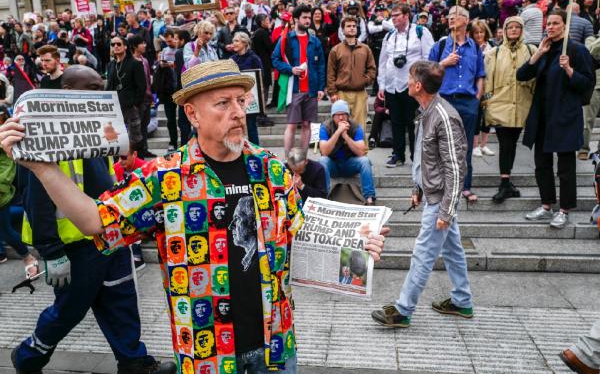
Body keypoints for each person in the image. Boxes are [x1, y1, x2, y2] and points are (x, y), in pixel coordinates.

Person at [0, 59, 387, 373]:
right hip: (208, 355)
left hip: (276, 347)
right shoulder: (165, 177)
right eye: (223, 103)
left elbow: (301, 235)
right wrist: (40, 168)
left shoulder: (271, 169)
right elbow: (94, 222)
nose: (238, 112)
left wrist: (357, 245)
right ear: (192, 113)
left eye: (241, 100)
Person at [9, 65, 177, 374]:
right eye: (94, 88)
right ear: (69, 93)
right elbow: (36, 199)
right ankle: (29, 355)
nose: (101, 95)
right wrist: (52, 252)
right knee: (69, 311)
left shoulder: (98, 131)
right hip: (74, 247)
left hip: (110, 238)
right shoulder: (44, 136)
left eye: (102, 88)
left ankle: (134, 362)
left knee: (121, 300)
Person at [371, 60, 473, 329]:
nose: (406, 80)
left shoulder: (444, 116)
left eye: (410, 76)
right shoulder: (427, 111)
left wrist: (446, 211)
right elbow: (426, 159)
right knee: (453, 251)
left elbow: (455, 167)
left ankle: (403, 310)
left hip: (441, 200)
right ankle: (462, 300)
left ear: (418, 85)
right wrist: (418, 188)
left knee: (423, 252)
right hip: (434, 194)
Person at [517, 9, 595, 229]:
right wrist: (538, 54)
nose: (550, 27)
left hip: (565, 116)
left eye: (555, 23)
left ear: (565, 25)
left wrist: (569, 69)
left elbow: (587, 83)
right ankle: (546, 205)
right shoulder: (544, 48)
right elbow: (521, 75)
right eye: (548, 23)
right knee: (541, 164)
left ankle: (564, 210)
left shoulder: (577, 50)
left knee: (566, 167)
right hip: (541, 116)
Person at [428, 5, 486, 203]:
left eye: (457, 15)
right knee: (441, 145)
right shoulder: (441, 45)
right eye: (450, 15)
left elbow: (480, 75)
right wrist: (444, 63)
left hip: (468, 102)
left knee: (466, 146)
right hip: (444, 101)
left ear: (466, 20)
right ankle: (442, 185)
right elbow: (427, 71)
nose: (452, 18)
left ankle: (464, 186)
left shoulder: (475, 47)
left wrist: (476, 99)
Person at [483, 16, 537, 203]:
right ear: (504, 31)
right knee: (505, 144)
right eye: (510, 27)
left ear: (522, 30)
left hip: (522, 106)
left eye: (517, 27)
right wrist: (487, 104)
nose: (513, 30)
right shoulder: (494, 53)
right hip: (499, 106)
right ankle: (504, 183)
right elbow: (487, 80)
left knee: (512, 144)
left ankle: (507, 182)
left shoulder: (531, 50)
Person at [377, 4, 434, 168]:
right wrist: (381, 85)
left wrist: (424, 84)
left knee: (413, 123)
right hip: (392, 86)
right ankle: (398, 154)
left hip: (414, 87)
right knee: (395, 122)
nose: (393, 18)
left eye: (396, 15)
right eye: (392, 15)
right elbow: (383, 62)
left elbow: (429, 59)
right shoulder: (389, 36)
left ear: (407, 15)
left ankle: (417, 156)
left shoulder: (420, 32)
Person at [272, 4, 326, 156]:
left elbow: (321, 64)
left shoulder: (315, 41)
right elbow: (275, 59)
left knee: (307, 124)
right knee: (291, 125)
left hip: (311, 89)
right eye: (305, 17)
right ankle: (288, 159)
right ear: (296, 19)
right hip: (294, 89)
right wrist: (290, 70)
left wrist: (322, 87)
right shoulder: (286, 39)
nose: (308, 20)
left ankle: (303, 158)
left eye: (309, 17)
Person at [0, 105, 38, 274]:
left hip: (1, 194)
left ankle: (27, 257)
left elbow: (7, 169)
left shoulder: (7, 138)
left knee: (6, 231)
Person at [327, 16, 376, 140]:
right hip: (341, 93)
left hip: (360, 93)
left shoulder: (365, 49)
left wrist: (365, 80)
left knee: (360, 126)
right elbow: (331, 73)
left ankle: (361, 154)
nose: (352, 28)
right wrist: (332, 92)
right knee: (341, 125)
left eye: (354, 26)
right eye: (348, 26)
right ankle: (342, 156)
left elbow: (372, 69)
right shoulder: (335, 50)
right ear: (343, 30)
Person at [318, 100, 376, 205]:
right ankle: (324, 197)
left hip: (350, 164)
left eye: (343, 115)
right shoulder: (325, 127)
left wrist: (346, 136)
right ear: (333, 116)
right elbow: (324, 151)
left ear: (348, 116)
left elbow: (361, 152)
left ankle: (369, 197)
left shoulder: (356, 127)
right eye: (337, 115)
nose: (340, 118)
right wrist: (338, 132)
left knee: (365, 161)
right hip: (333, 165)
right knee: (322, 160)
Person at [105, 35, 147, 154]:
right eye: (113, 44)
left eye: (119, 44)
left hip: (130, 106)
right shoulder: (111, 65)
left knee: (135, 138)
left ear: (125, 46)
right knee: (116, 138)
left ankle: (139, 164)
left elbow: (142, 86)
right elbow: (109, 85)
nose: (116, 46)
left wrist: (135, 104)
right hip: (115, 107)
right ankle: (121, 165)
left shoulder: (135, 63)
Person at [469, 20, 495, 159]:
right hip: (475, 86)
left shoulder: (492, 45)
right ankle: (474, 146)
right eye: (476, 32)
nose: (479, 35)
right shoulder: (471, 47)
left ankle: (484, 144)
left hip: (490, 86)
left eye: (481, 32)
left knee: (487, 117)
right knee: (477, 116)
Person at [231, 31, 263, 145]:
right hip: (235, 99)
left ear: (244, 43)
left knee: (251, 126)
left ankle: (255, 151)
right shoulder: (232, 60)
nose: (234, 43)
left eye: (236, 41)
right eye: (233, 41)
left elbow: (259, 78)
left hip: (250, 99)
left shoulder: (254, 58)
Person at [129, 35, 156, 159]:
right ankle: (137, 154)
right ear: (135, 46)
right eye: (142, 43)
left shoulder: (144, 60)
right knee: (136, 128)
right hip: (138, 100)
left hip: (147, 98)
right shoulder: (130, 61)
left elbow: (147, 79)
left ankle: (144, 150)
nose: (144, 45)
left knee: (145, 125)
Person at [581, 33, 600, 160]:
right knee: (587, 119)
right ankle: (583, 148)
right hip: (595, 86)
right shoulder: (591, 39)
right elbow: (591, 52)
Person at [367, 5, 393, 96]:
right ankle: (375, 88)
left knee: (387, 67)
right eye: (378, 10)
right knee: (377, 67)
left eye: (383, 10)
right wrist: (383, 27)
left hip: (387, 46)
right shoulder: (372, 18)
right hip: (376, 47)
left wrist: (382, 21)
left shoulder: (389, 18)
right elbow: (370, 29)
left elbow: (392, 28)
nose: (381, 12)